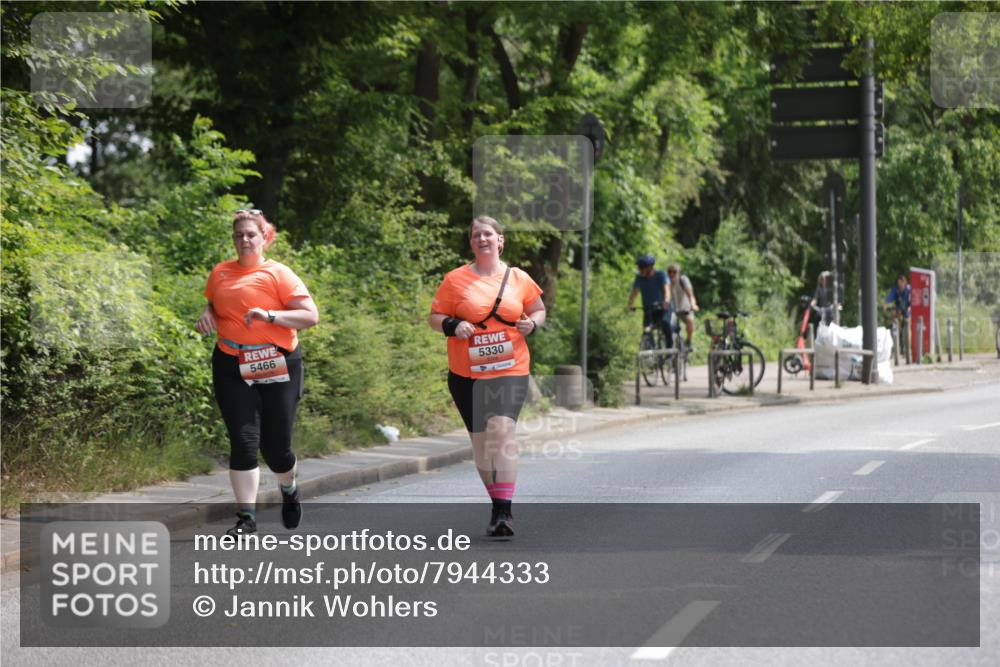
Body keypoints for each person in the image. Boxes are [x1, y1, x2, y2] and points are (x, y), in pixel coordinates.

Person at [196, 209, 319, 536]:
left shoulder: (279, 274)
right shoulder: (220, 272)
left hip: (279, 363)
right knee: (243, 440)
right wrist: (207, 314)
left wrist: (270, 315)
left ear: (265, 237)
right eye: (239, 235)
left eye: (251, 234)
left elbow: (310, 316)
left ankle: (289, 488)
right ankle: (246, 518)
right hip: (231, 364)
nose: (245, 240)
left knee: (277, 448)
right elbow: (214, 302)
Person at [428, 216, 545, 537]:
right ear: (471, 243)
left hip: (510, 367)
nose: (482, 239)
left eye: (488, 234)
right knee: (481, 444)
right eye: (476, 235)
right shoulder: (454, 280)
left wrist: (532, 324)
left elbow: (538, 309)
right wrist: (453, 325)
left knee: (503, 431)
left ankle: (504, 511)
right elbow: (435, 317)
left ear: (500, 240)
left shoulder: (518, 278)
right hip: (466, 372)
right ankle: (496, 502)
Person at [627, 254, 672, 349]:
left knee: (665, 323)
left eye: (641, 268)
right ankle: (649, 348)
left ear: (649, 268)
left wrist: (666, 302)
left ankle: (670, 350)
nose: (639, 270)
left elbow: (667, 291)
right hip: (649, 308)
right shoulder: (639, 278)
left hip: (663, 307)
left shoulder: (661, 275)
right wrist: (630, 304)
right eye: (639, 268)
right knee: (646, 329)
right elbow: (634, 292)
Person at [666, 262, 699, 349]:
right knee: (667, 325)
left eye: (674, 271)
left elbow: (691, 295)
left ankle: (689, 341)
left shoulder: (683, 280)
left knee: (690, 320)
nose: (672, 274)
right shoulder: (666, 282)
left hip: (685, 309)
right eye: (670, 272)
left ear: (679, 272)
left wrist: (693, 304)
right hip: (673, 311)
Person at [883, 273, 911, 359]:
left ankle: (907, 350)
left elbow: (913, 300)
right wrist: (886, 304)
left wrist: (910, 308)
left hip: (907, 311)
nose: (900, 286)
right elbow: (889, 297)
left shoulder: (909, 289)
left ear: (905, 282)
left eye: (901, 284)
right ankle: (895, 348)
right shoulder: (895, 290)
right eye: (898, 284)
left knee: (907, 326)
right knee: (895, 325)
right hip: (898, 311)